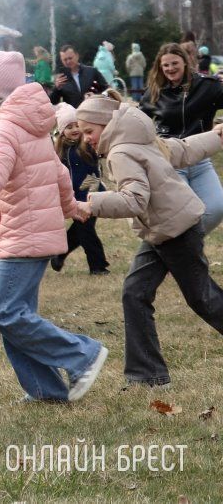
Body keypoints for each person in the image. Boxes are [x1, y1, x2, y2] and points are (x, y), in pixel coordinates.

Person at [0, 52, 108, 403]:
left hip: (26, 233)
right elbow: (57, 172)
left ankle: (82, 355)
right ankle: (46, 390)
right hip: (34, 229)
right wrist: (72, 207)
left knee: (4, 312)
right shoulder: (31, 121)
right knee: (17, 318)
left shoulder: (9, 127)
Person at [74, 94, 223, 387]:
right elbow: (180, 149)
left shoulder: (121, 151)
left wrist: (93, 204)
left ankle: (147, 375)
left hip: (176, 231)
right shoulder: (137, 138)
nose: (87, 139)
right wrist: (217, 136)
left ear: (106, 124)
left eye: (89, 131)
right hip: (163, 230)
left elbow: (135, 200)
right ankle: (147, 375)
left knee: (202, 298)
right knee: (135, 292)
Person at [138, 42, 223, 233]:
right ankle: (180, 251)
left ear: (185, 62)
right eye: (165, 65)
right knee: (181, 213)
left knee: (217, 208)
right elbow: (137, 121)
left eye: (174, 63)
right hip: (169, 160)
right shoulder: (154, 92)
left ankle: (186, 247)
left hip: (200, 159)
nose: (170, 69)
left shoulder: (207, 86)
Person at [50, 103, 109, 275]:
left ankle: (96, 265)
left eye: (77, 125)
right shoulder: (59, 152)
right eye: (69, 127)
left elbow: (95, 172)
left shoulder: (86, 146)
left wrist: (88, 194)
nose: (75, 129)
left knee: (85, 231)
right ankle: (63, 256)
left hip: (91, 195)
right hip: (73, 199)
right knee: (81, 231)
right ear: (62, 132)